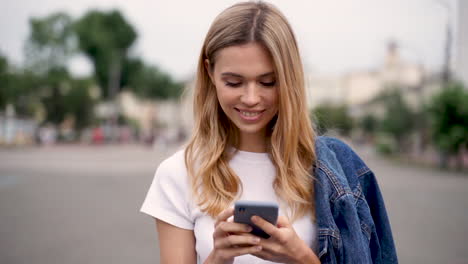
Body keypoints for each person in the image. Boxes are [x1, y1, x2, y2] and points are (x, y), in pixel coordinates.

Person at [140, 1, 398, 264]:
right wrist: (218, 257)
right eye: (234, 82)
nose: (251, 98)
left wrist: (301, 257)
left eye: (268, 82)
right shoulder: (177, 174)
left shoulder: (334, 170)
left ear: (289, 77)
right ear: (210, 72)